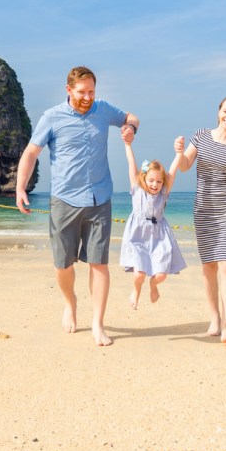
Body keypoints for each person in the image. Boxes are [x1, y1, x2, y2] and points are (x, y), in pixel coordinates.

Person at [16, 66, 139, 346]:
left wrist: (130, 127)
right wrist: (21, 188)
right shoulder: (52, 117)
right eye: (82, 92)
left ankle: (98, 324)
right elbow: (31, 153)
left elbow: (132, 117)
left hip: (100, 199)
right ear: (69, 89)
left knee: (99, 264)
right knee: (63, 264)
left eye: (92, 92)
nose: (87, 97)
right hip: (64, 200)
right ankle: (70, 302)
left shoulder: (104, 109)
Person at [173, 95, 226, 346]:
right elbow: (186, 166)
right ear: (218, 112)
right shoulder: (201, 136)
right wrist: (179, 153)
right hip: (205, 210)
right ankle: (214, 318)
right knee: (209, 266)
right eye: (225, 111)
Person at [119, 135, 188, 309]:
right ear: (144, 178)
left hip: (159, 236)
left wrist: (179, 152)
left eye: (159, 181)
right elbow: (130, 163)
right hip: (138, 234)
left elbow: (173, 170)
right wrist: (128, 144)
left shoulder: (164, 191)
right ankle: (136, 290)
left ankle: (153, 285)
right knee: (139, 274)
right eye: (151, 180)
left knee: (161, 275)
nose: (155, 184)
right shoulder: (136, 187)